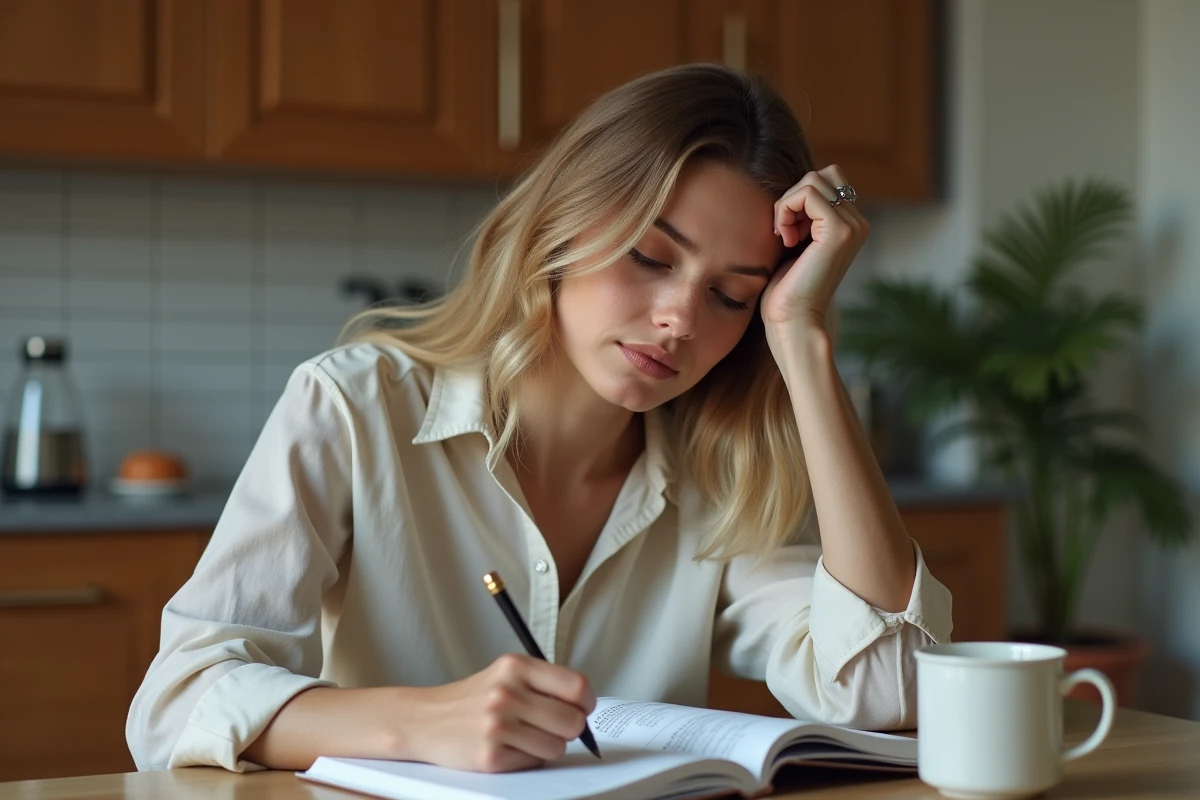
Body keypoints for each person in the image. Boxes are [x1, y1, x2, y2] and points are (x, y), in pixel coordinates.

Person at [126, 63, 952, 775]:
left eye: (731, 296)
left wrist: (802, 340)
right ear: (563, 222)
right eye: (649, 257)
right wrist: (419, 723)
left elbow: (886, 690)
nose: (679, 318)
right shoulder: (355, 404)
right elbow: (175, 702)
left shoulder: (720, 470)